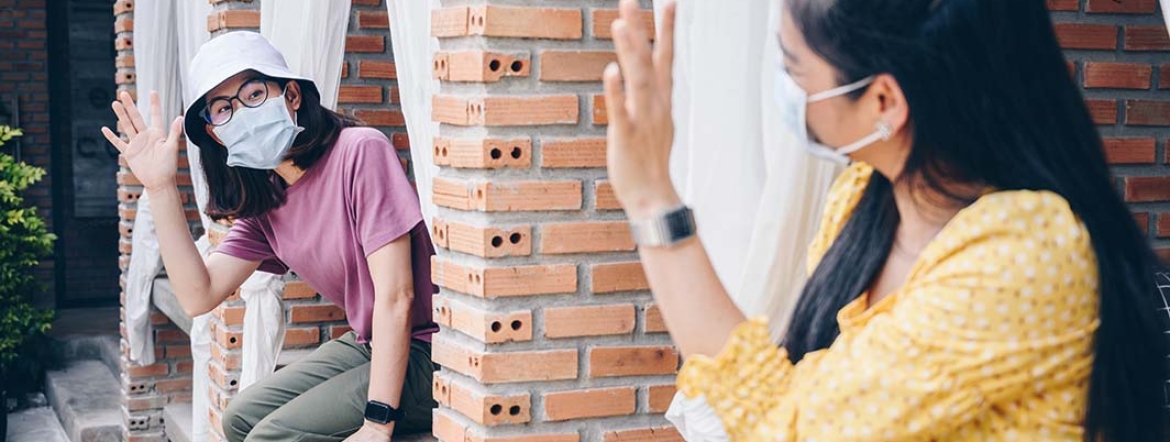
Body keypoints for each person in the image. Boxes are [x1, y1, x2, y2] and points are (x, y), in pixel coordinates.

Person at [602, 0, 1168, 440]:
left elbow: (791, 431)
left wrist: (655, 200)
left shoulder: (1024, 255)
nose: (787, 90)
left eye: (795, 71)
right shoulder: (863, 201)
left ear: (884, 103)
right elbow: (806, 398)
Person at [100, 31, 437, 442]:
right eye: (223, 109)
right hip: (369, 342)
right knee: (239, 418)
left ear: (291, 96)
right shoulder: (267, 204)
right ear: (215, 134)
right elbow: (198, 295)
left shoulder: (360, 152)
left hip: (429, 350)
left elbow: (397, 296)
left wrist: (377, 423)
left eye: (254, 94)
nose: (241, 113)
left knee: (270, 435)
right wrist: (160, 188)